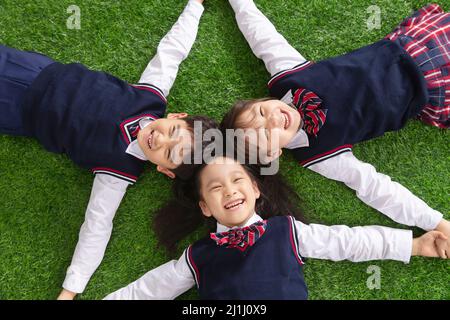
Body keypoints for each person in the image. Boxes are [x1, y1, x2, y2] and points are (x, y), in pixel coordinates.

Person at [0, 0, 214, 299]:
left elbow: (97, 226)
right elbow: (172, 51)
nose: (161, 140)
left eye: (169, 153)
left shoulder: (118, 171)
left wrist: (69, 291)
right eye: (173, 132)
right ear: (176, 117)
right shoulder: (151, 96)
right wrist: (195, 6)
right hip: (35, 69)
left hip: (15, 111)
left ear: (164, 170)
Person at [220, 1, 450, 254]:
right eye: (266, 134)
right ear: (274, 153)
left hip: (411, 46)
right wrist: (436, 222)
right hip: (433, 90)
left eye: (262, 111)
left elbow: (263, 38)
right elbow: (373, 186)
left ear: (266, 100)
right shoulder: (317, 154)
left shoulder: (287, 79)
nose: (273, 120)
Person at [103, 156, 448, 300]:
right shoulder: (197, 256)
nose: (229, 190)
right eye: (215, 188)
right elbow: (149, 289)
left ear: (255, 190)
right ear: (206, 207)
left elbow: (349, 241)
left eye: (237, 180)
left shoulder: (287, 231)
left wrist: (414, 245)